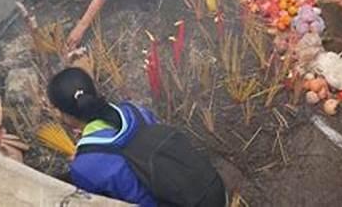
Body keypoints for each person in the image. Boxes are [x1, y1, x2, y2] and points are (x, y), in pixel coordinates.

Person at [47, 67, 226, 206]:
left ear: (62, 114)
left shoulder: (84, 166)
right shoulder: (133, 110)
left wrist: (82, 163)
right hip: (209, 189)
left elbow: (99, 201)